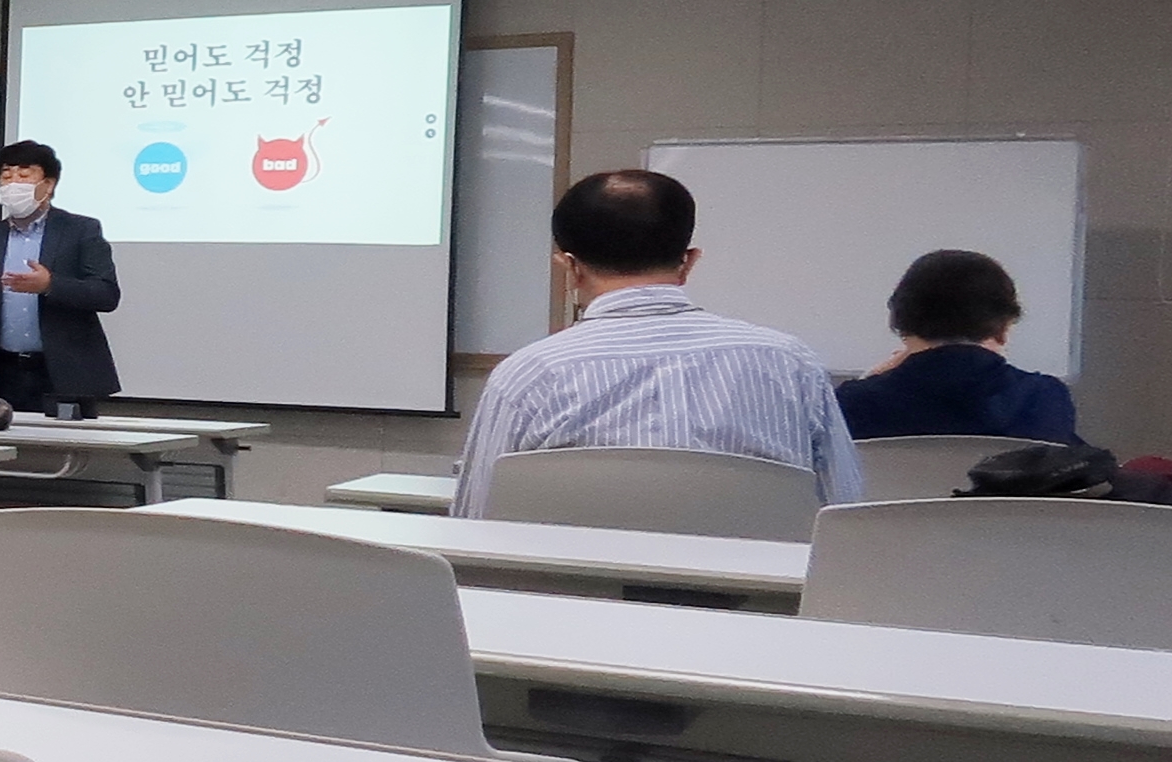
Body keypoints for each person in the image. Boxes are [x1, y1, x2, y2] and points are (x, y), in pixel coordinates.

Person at [453, 169, 862, 518]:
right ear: (689, 261)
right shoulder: (791, 362)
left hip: (578, 587)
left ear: (570, 268)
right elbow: (843, 509)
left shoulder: (529, 375)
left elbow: (476, 517)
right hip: (762, 588)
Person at [0, 139, 122, 415]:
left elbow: (106, 294)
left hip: (63, 374)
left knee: (65, 442)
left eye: (24, 174)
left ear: (48, 184)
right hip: (2, 375)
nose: (13, 182)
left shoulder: (80, 231)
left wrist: (50, 285)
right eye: (6, 176)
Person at [835, 249, 1078, 443]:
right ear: (1003, 327)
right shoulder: (1043, 398)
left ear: (900, 321)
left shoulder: (854, 403)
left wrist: (865, 383)